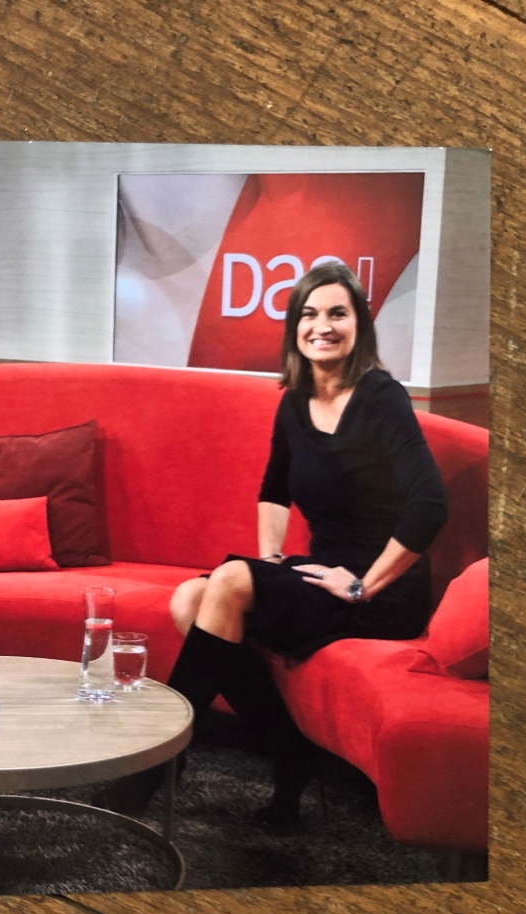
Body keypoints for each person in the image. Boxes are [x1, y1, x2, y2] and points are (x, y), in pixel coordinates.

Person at [135, 262, 449, 825]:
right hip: (320, 573)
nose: (321, 326)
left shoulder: (382, 399)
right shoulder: (295, 401)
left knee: (228, 583)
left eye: (337, 313)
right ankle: (287, 751)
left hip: (379, 591)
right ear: (294, 328)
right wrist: (271, 564)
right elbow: (274, 490)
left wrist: (362, 586)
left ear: (359, 324)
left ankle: (156, 763)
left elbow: (430, 504)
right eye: (309, 314)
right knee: (189, 598)